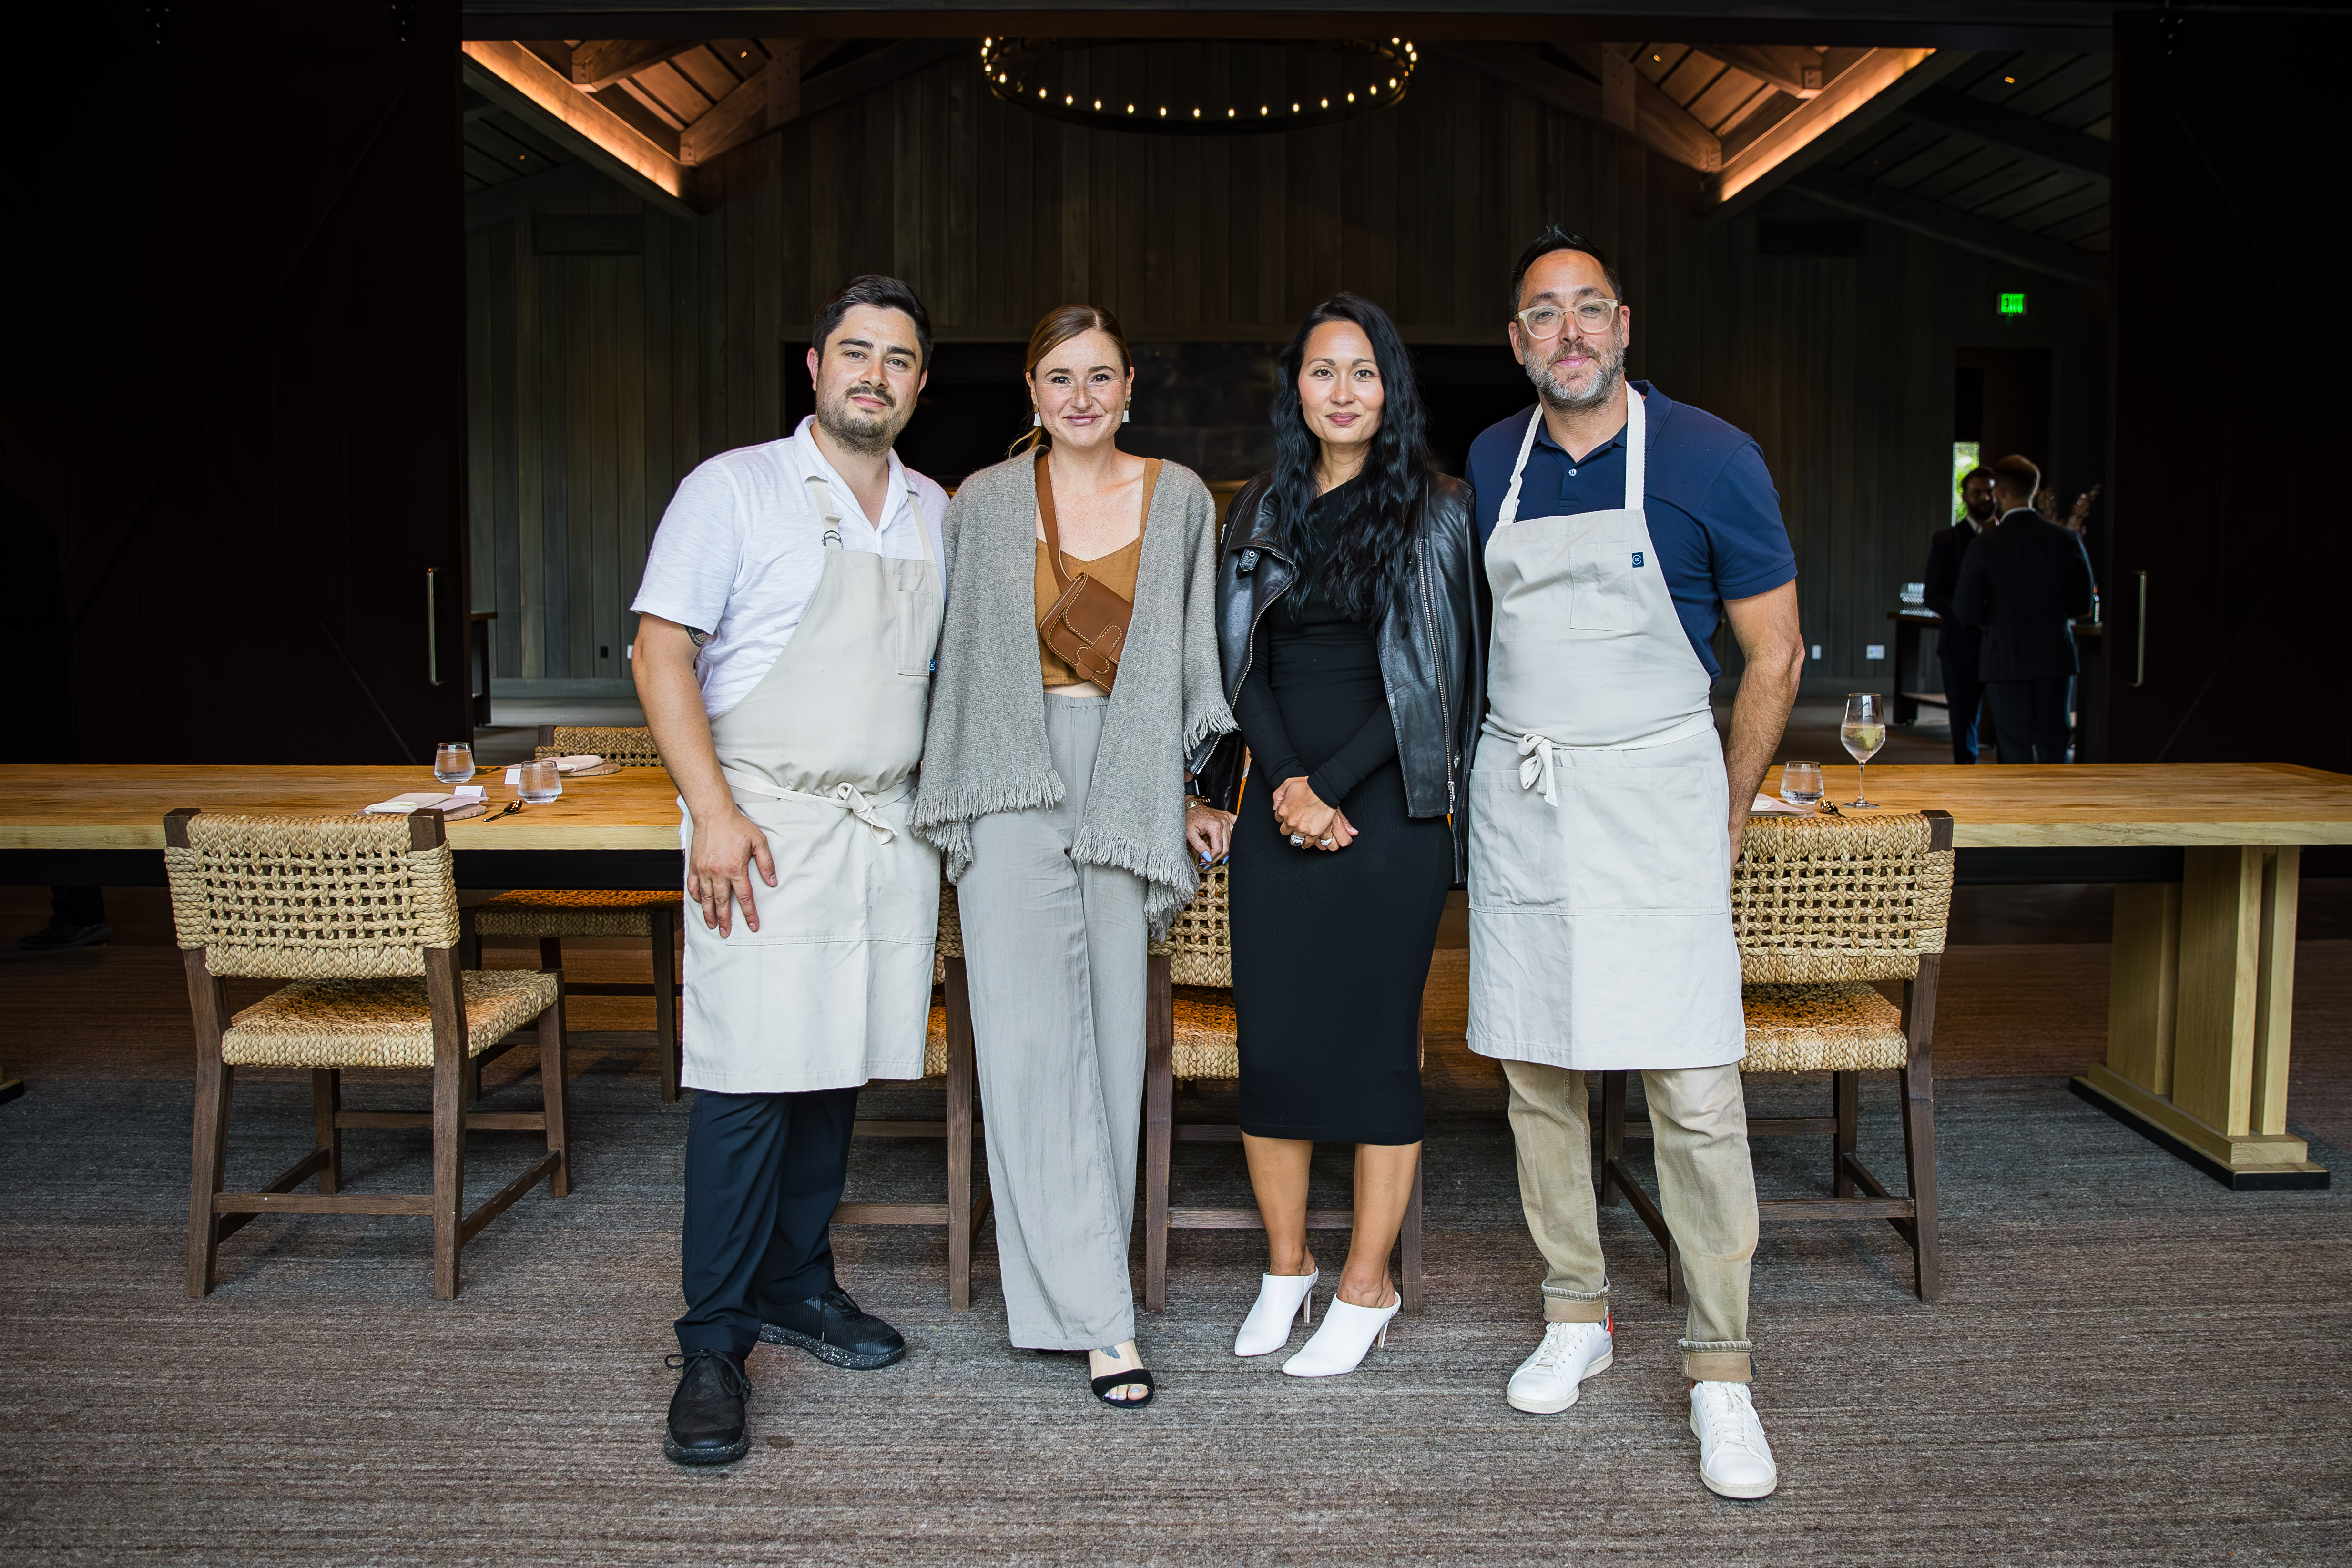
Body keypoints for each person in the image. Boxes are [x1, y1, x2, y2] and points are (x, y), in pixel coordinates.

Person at [1463, 227, 1805, 1500]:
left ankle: (1719, 1372)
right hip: (1529, 796)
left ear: (1622, 326)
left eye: (1587, 309)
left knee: (1695, 1095)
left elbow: (1772, 653)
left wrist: (1725, 803)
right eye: (1541, 314)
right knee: (1537, 1076)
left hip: (1658, 799)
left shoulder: (1712, 458)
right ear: (1516, 341)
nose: (1567, 332)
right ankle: (1576, 1315)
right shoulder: (1493, 458)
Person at [631, 275, 948, 1466]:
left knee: (835, 1073)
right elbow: (660, 653)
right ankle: (713, 1341)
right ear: (815, 367)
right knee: (747, 1083)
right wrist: (710, 811)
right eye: (855, 351)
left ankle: (799, 1282)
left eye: (900, 358)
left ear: (920, 385)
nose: (875, 372)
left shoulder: (930, 508)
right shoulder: (736, 487)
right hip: (759, 825)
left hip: (881, 828)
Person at [911, 305, 1234, 1409]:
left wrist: (1195, 787)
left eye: (1101, 376)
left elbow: (1198, 658)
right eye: (1061, 376)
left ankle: (1086, 1300)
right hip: (1008, 769)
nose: (1082, 396)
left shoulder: (1181, 498)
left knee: (1105, 1034)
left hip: (1128, 770)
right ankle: (1098, 1319)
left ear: (1130, 385)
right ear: (1032, 390)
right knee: (1021, 1038)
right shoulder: (983, 504)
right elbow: (946, 654)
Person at [1205, 294, 1481, 1378]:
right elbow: (1242, 667)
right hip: (1282, 805)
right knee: (1269, 1048)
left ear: (1390, 389)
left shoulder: (1441, 509)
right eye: (1324, 372)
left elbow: (1444, 688)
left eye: (1363, 372)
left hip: (1390, 810)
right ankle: (1290, 1267)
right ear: (1298, 390)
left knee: (1374, 1049)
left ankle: (1369, 1281)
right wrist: (1284, 783)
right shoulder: (1258, 508)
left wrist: (1333, 788)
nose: (1343, 391)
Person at [0, 440, 109, 952]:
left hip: (21, 689)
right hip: (22, 688)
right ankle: (78, 912)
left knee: (49, 796)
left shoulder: (15, 520)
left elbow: (25, 598)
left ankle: (81, 914)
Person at [1953, 453, 2096, 764]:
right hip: (2054, 656)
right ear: (2033, 489)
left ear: (1999, 492)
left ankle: (2016, 812)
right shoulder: (2066, 539)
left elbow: (1964, 610)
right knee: (2054, 744)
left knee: (2013, 747)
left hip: (2004, 658)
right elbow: (2082, 603)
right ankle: (2053, 809)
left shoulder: (1985, 544)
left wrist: (1996, 619)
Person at [1923, 467, 1997, 764]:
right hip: (1961, 644)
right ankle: (1966, 775)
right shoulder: (1947, 539)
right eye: (1978, 492)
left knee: (2007, 717)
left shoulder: (2008, 538)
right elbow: (1932, 596)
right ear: (1965, 497)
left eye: (1990, 491)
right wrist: (1967, 617)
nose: (1985, 498)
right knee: (1963, 717)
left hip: (2002, 645)